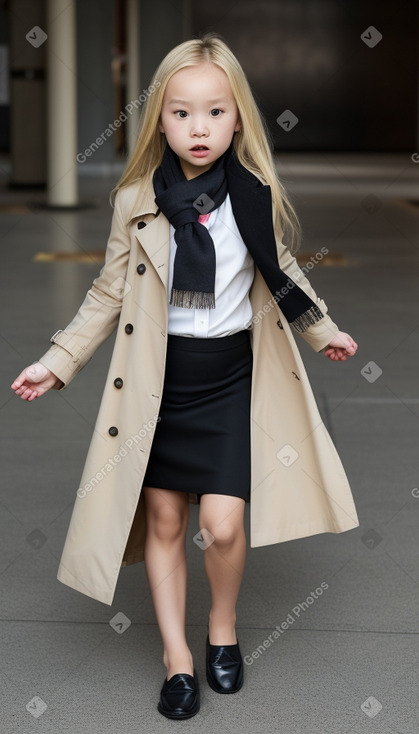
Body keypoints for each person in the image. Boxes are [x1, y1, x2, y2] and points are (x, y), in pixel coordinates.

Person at [11, 34, 359, 720]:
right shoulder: (136, 199)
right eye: (180, 113)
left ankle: (220, 629)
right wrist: (57, 362)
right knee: (166, 519)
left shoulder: (252, 196)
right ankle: (176, 659)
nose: (198, 129)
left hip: (231, 376)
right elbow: (108, 294)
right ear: (158, 119)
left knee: (224, 526)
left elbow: (280, 271)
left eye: (214, 112)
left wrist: (323, 332)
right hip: (159, 383)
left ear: (237, 119)